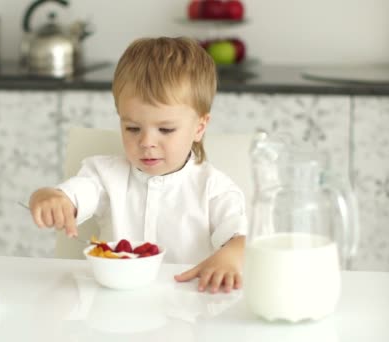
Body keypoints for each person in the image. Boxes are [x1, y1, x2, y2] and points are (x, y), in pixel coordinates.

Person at [28, 37, 246, 293]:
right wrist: (49, 197)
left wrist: (230, 256)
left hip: (188, 309)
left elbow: (238, 236)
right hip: (113, 307)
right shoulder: (104, 175)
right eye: (132, 128)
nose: (146, 142)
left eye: (165, 129)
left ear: (199, 127)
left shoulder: (214, 188)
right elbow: (72, 196)